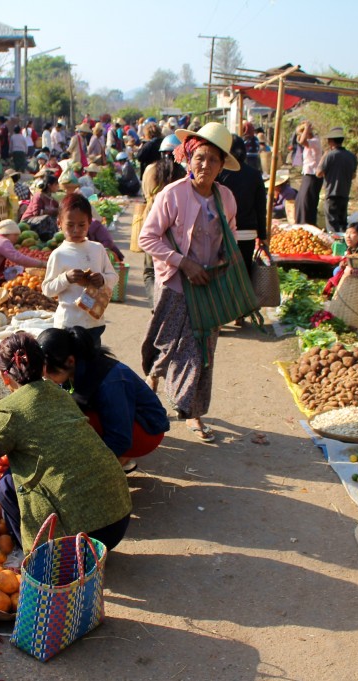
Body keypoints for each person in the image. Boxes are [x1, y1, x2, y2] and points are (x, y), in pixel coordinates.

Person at [0, 333, 132, 551]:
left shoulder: (9, 411)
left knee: (7, 486)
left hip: (82, 538)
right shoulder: (61, 394)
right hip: (118, 519)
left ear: (3, 376)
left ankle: (38, 556)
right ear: (44, 367)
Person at [138, 122, 240, 443]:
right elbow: (148, 237)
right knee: (166, 345)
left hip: (208, 290)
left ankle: (193, 413)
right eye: (199, 157)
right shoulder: (172, 194)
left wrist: (225, 266)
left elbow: (231, 239)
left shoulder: (226, 198)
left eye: (213, 160)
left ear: (222, 166)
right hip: (175, 286)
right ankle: (151, 385)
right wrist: (184, 263)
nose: (205, 166)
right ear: (188, 157)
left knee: (202, 351)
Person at [39, 326, 169, 473]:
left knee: (78, 420)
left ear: (70, 361)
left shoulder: (110, 382)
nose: (45, 378)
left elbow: (120, 439)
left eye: (48, 373)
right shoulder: (76, 367)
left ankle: (121, 460)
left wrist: (87, 468)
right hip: (127, 421)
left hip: (147, 432)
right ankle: (118, 460)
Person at [42, 194, 117, 344]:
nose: (76, 230)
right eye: (70, 225)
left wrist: (102, 279)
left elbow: (113, 277)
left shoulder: (97, 249)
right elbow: (47, 289)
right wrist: (65, 278)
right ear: (59, 223)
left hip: (94, 323)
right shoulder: (59, 254)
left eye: (82, 225)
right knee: (72, 366)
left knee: (92, 364)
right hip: (68, 324)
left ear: (90, 223)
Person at [138, 134, 187, 303]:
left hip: (152, 221)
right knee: (172, 267)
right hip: (177, 225)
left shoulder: (150, 170)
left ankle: (156, 303)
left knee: (150, 270)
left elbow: (145, 194)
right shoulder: (183, 174)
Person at [218, 134, 267, 291]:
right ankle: (240, 310)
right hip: (248, 233)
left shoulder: (220, 173)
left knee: (224, 273)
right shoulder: (254, 174)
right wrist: (262, 235)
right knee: (243, 273)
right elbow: (261, 207)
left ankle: (225, 308)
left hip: (224, 231)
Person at [316, 127, 358, 231]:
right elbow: (353, 175)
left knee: (332, 224)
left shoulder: (330, 155)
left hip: (332, 194)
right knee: (342, 223)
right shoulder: (351, 156)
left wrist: (324, 157)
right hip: (345, 194)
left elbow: (318, 173)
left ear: (330, 141)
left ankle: (334, 245)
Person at [294, 121, 323, 226]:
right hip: (307, 174)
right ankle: (301, 222)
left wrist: (307, 127)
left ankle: (307, 223)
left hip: (313, 175)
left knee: (307, 201)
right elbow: (300, 141)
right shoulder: (309, 143)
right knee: (300, 200)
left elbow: (301, 141)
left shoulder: (315, 141)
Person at [22, 172, 61, 240]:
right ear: (49, 185)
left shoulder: (53, 200)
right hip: (29, 222)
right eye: (56, 184)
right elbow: (36, 212)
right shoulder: (38, 196)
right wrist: (52, 211)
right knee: (47, 218)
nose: (58, 186)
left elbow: (58, 211)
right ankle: (51, 238)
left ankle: (56, 238)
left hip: (42, 222)